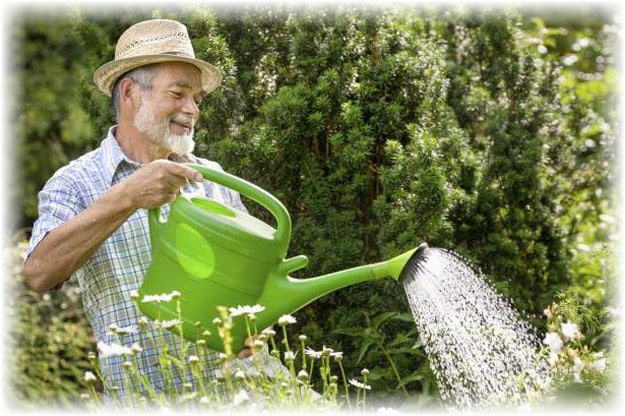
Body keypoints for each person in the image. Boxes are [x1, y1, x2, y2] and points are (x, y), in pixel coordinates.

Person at [22, 18, 280, 406]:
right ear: (130, 93)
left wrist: (256, 323)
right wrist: (127, 197)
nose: (191, 109)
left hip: (235, 398)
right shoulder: (75, 182)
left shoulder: (214, 179)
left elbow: (255, 285)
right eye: (178, 93)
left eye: (197, 99)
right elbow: (39, 273)